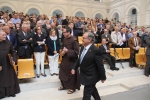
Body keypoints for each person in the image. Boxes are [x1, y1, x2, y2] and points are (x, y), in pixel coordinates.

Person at [71, 32, 106, 100]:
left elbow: (100, 65)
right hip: (84, 74)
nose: (82, 39)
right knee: (93, 91)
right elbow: (79, 60)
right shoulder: (82, 48)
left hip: (91, 76)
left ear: (89, 40)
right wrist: (74, 68)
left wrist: (103, 76)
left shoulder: (95, 50)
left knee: (86, 96)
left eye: (84, 38)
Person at [58, 27, 80, 94]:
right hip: (65, 59)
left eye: (64, 32)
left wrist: (68, 51)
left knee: (71, 75)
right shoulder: (64, 39)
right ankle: (64, 85)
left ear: (68, 32)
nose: (63, 33)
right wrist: (63, 52)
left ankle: (72, 88)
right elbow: (63, 48)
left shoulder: (74, 40)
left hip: (71, 60)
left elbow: (76, 52)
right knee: (62, 72)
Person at [0, 30, 20, 99]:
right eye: (2, 35)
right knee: (2, 80)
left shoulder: (9, 43)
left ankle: (11, 92)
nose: (4, 36)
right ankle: (1, 94)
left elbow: (13, 52)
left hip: (8, 64)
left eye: (5, 35)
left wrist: (14, 60)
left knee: (10, 78)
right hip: (1, 65)